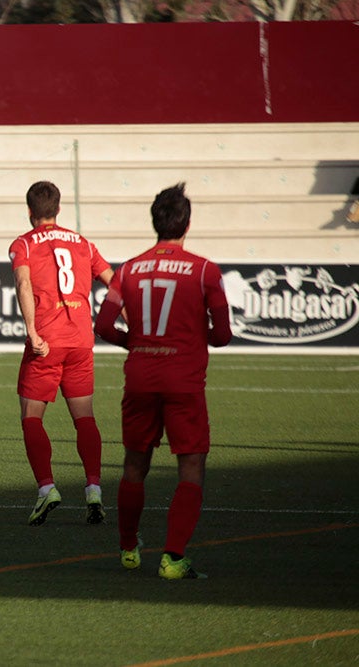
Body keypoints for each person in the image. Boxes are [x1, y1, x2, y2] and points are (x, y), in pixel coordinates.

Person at [95, 183, 232, 580]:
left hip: (140, 376)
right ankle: (173, 558)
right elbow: (222, 335)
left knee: (135, 465)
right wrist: (190, 336)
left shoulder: (128, 271)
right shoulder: (205, 270)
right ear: (187, 223)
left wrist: (135, 342)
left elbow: (103, 325)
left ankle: (127, 548)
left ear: (155, 222)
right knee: (190, 466)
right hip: (183, 381)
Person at [9, 181, 114, 526]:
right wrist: (135, 327)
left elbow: (24, 284)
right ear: (58, 209)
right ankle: (94, 489)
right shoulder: (83, 243)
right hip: (81, 340)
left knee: (31, 416)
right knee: (84, 417)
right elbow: (113, 283)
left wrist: (32, 331)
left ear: (29, 211)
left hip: (47, 343)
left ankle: (46, 489)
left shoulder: (23, 243)